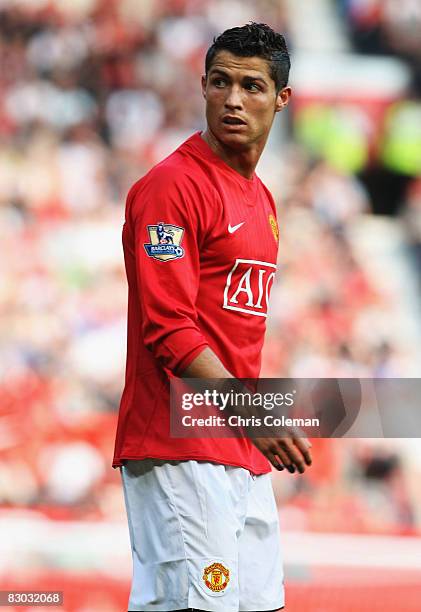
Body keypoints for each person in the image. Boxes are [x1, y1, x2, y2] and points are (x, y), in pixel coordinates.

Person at [113, 22, 313, 612]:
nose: (232, 98)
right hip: (177, 446)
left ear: (281, 98)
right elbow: (169, 327)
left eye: (252, 86)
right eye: (220, 82)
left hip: (238, 452)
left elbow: (236, 337)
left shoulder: (263, 201)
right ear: (201, 86)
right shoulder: (170, 189)